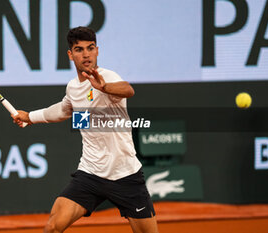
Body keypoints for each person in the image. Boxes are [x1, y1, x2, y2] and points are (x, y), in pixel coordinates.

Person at [12, 26, 159, 233]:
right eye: (79, 49)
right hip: (90, 174)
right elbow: (62, 110)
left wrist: (104, 87)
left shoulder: (107, 76)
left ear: (97, 50)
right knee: (53, 226)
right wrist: (29, 117)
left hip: (125, 174)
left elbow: (128, 90)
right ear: (70, 55)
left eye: (90, 48)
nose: (86, 54)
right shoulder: (73, 88)